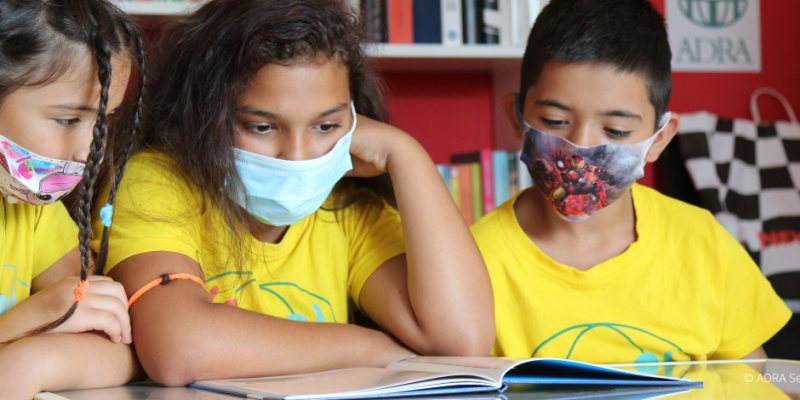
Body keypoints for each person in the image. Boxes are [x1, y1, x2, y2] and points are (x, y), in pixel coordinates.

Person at [94, 0, 494, 386]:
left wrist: (406, 154)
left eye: (325, 126)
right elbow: (180, 348)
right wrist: (375, 348)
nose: (298, 158)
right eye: (262, 127)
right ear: (203, 116)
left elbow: (463, 340)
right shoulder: (155, 180)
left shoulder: (347, 205)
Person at [472, 0, 791, 367]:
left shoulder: (702, 243)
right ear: (516, 118)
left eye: (616, 130)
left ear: (658, 139)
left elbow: (759, 377)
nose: (583, 147)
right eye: (555, 120)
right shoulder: (472, 261)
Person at [0, 0, 147, 397]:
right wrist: (29, 321)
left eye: (103, 122)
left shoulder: (31, 211)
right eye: (67, 119)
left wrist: (28, 363)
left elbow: (119, 344)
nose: (90, 151)